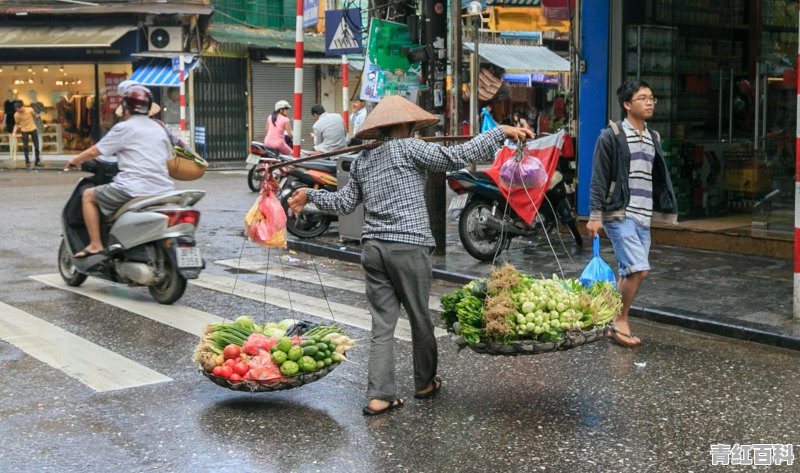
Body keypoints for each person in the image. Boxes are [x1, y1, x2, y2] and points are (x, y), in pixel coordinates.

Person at [288, 95, 532, 415]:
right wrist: (499, 132)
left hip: (373, 249)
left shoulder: (362, 159)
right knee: (419, 319)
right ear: (402, 125)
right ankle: (424, 383)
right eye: (412, 126)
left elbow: (344, 204)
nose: (415, 130)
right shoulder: (409, 148)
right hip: (408, 245)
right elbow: (456, 156)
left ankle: (379, 395)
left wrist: (311, 194)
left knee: (382, 325)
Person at [586, 80, 678, 348]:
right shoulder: (611, 136)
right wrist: (595, 215)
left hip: (644, 216)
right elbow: (599, 178)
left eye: (652, 97)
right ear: (627, 104)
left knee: (628, 271)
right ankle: (619, 320)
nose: (649, 102)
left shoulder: (654, 138)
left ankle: (610, 321)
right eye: (642, 98)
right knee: (639, 270)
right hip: (618, 214)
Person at [65, 86, 174, 258]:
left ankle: (95, 244)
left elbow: (95, 151)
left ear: (126, 107)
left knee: (88, 195)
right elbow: (168, 157)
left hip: (133, 188)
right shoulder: (159, 128)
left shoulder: (124, 128)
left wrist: (74, 160)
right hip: (164, 189)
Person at [12, 100, 41, 169]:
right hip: (24, 130)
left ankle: (37, 161)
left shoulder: (30, 110)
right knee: (25, 147)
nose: (18, 111)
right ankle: (27, 162)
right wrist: (14, 132)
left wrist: (32, 122)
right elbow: (16, 124)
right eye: (17, 110)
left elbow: (34, 116)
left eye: (19, 109)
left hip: (33, 129)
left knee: (36, 146)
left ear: (22, 106)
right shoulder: (16, 115)